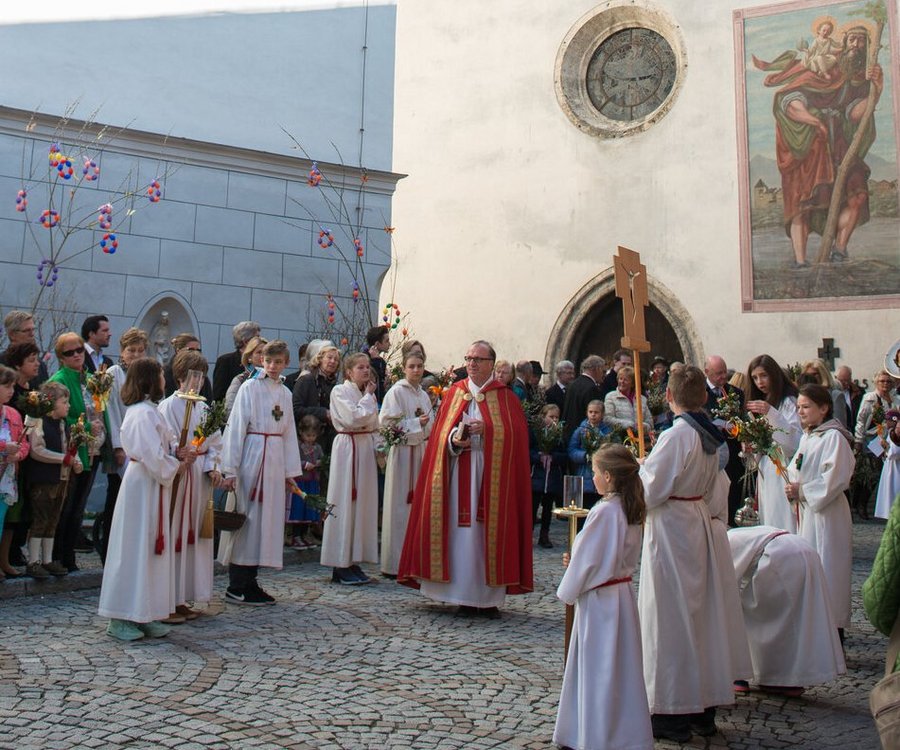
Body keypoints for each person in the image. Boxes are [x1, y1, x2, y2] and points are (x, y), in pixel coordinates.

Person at [638, 365, 750, 743]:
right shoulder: (713, 437)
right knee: (700, 618)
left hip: (672, 528)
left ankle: (672, 710)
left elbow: (651, 490)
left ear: (669, 398)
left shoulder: (677, 437)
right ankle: (704, 704)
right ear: (704, 397)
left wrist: (640, 469)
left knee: (669, 617)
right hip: (699, 521)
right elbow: (720, 485)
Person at [398, 340, 533, 618]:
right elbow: (438, 438)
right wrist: (452, 441)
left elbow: (517, 440)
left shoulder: (506, 398)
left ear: (490, 365)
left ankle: (487, 598)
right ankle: (459, 594)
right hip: (458, 472)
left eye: (478, 360)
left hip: (491, 476)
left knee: (485, 534)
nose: (471, 364)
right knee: (460, 533)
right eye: (469, 358)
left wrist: (488, 431)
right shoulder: (455, 394)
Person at [754, 26, 883, 266]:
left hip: (841, 146)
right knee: (803, 205)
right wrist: (815, 121)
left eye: (862, 41)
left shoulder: (860, 79)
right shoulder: (820, 68)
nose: (856, 45)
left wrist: (875, 93)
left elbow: (855, 115)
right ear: (843, 44)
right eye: (852, 39)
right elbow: (789, 101)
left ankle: (839, 249)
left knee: (858, 196)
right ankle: (801, 263)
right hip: (810, 148)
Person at [553, 445, 653, 750]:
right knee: (620, 669)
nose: (593, 477)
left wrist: (570, 582)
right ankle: (623, 733)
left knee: (599, 670)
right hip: (620, 595)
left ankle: (595, 735)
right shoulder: (631, 507)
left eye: (595, 472)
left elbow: (589, 561)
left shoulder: (604, 512)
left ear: (608, 476)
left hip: (600, 601)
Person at [98, 358, 195, 641]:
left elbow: (163, 445)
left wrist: (179, 454)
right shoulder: (140, 413)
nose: (164, 380)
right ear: (150, 380)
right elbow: (151, 454)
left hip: (153, 484)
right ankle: (121, 616)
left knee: (152, 547)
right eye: (161, 376)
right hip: (143, 483)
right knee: (134, 547)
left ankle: (145, 612)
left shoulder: (152, 411)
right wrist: (175, 464)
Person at [219, 340, 302, 605]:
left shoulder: (286, 394)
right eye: (269, 361)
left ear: (286, 362)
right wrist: (229, 469)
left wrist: (290, 471)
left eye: (279, 362)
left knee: (267, 522)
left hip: (275, 458)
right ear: (261, 361)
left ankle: (251, 580)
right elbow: (236, 427)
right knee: (248, 519)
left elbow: (289, 433)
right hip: (253, 457)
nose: (274, 367)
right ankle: (236, 583)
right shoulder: (249, 388)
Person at [728, 525, 846, 696]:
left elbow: (724, 588)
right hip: (806, 552)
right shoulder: (736, 534)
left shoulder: (725, 539)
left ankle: (738, 673)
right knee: (793, 618)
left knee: (739, 610)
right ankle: (783, 677)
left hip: (777, 557)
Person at [785, 384, 855, 640]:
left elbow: (836, 479)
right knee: (812, 568)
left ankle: (834, 634)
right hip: (810, 514)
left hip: (828, 515)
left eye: (806, 407)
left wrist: (802, 491)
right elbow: (796, 467)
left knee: (829, 570)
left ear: (824, 408)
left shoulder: (833, 438)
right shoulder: (808, 437)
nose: (801, 412)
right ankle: (816, 632)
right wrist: (792, 485)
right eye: (799, 407)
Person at [158, 349, 223, 621]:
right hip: (179, 478)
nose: (197, 383)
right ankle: (167, 598)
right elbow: (166, 442)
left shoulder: (205, 408)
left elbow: (215, 443)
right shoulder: (168, 407)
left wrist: (212, 466)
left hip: (198, 480)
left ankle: (183, 596)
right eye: (191, 377)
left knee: (194, 538)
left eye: (201, 377)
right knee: (175, 536)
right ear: (180, 378)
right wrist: (180, 456)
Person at [49, 332, 108, 572]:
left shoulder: (91, 377)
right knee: (67, 505)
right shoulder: (59, 379)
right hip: (71, 450)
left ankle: (69, 555)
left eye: (79, 350)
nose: (76, 355)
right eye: (69, 352)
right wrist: (84, 425)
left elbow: (99, 407)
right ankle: (58, 555)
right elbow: (57, 416)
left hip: (92, 448)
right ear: (61, 357)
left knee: (79, 504)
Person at [320, 353, 380, 585]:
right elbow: (353, 418)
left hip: (364, 448)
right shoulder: (340, 392)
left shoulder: (367, 395)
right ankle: (339, 563)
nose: (366, 371)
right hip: (347, 449)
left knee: (362, 506)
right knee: (344, 501)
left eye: (368, 367)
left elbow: (373, 422)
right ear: (349, 372)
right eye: (361, 367)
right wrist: (367, 399)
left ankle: (354, 560)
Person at [379, 350, 433, 577]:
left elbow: (431, 424)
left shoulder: (424, 395)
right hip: (402, 454)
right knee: (398, 508)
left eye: (420, 366)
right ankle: (394, 563)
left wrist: (426, 426)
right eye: (412, 366)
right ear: (404, 368)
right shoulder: (396, 392)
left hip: (419, 452)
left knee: (416, 509)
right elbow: (386, 424)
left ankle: (414, 561)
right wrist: (414, 423)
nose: (416, 370)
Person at [22, 381, 82, 579]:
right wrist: (63, 459)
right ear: (52, 403)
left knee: (53, 520)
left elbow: (69, 448)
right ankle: (33, 561)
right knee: (40, 519)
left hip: (61, 479)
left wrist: (76, 461)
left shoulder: (63, 424)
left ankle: (47, 560)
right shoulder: (38, 421)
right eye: (64, 402)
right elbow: (37, 450)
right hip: (44, 479)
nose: (68, 406)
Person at [99, 327, 149, 563]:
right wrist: (118, 446)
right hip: (121, 444)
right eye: (131, 350)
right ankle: (108, 548)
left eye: (140, 350)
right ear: (122, 351)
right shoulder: (113, 374)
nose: (136, 355)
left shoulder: (145, 375)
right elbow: (111, 410)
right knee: (116, 497)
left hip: (141, 446)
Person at [746, 354, 801, 532]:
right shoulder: (764, 401)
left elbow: (793, 440)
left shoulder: (788, 401)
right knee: (769, 516)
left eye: (763, 376)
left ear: (774, 375)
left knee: (782, 518)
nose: (759, 382)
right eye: (755, 377)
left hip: (783, 466)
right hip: (767, 467)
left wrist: (771, 414)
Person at [853, 370, 900, 519]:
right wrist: (858, 441)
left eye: (888, 381)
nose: (885, 384)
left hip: (891, 440)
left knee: (885, 472)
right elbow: (861, 420)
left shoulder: (895, 399)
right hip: (873, 440)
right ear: (876, 383)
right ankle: (861, 504)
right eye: (882, 381)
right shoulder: (870, 398)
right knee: (871, 473)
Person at [705, 355, 746, 526]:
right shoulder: (701, 393)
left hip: (735, 451)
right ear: (707, 372)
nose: (723, 377)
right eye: (718, 373)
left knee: (735, 493)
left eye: (724, 372)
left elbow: (743, 419)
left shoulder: (736, 393)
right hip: (713, 451)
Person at [0, 366, 29, 579]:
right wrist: (3, 448)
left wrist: (18, 454)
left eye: (12, 386)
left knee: (3, 520)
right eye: (6, 386)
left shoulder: (13, 413)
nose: (11, 391)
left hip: (8, 476)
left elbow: (24, 441)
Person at [292, 344, 341, 453]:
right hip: (306, 441)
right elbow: (295, 409)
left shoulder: (332, 384)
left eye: (336, 359)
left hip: (326, 438)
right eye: (329, 357)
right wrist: (324, 413)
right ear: (320, 359)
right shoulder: (306, 379)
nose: (333, 361)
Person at [530, 403, 566, 549]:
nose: (554, 420)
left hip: (551, 477)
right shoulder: (535, 432)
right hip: (537, 475)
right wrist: (538, 457)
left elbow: (565, 455)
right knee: (533, 507)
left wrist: (553, 457)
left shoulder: (559, 434)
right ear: (543, 417)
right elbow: (528, 451)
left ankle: (544, 534)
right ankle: (529, 533)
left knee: (547, 508)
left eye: (557, 417)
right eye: (551, 417)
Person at [567, 400, 612, 511]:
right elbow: (572, 450)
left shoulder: (608, 431)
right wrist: (585, 456)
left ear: (602, 414)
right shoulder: (580, 431)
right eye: (590, 412)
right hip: (584, 475)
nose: (593, 414)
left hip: (601, 475)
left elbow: (612, 448)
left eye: (596, 412)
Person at [288, 416, 324, 550]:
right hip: (301, 482)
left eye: (313, 435)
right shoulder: (298, 446)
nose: (311, 438)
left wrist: (320, 463)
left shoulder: (317, 447)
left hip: (312, 482)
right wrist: (304, 464)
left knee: (309, 509)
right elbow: (294, 459)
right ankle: (296, 536)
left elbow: (321, 458)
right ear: (301, 432)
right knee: (299, 509)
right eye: (308, 435)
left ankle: (304, 534)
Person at [561, 355, 606, 444]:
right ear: (596, 369)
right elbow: (593, 414)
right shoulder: (591, 388)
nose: (603, 374)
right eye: (603, 370)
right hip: (583, 435)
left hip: (569, 432)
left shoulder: (572, 384)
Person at [212, 321, 261, 402]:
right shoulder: (225, 361)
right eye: (257, 337)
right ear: (246, 341)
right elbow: (218, 395)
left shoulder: (261, 362)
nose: (260, 340)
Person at [223, 336, 267, 418]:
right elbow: (229, 410)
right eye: (259, 352)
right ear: (249, 357)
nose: (263, 356)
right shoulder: (240, 380)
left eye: (266, 353)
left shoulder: (272, 380)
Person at [1, 311, 49, 386]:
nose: (32, 334)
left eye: (33, 330)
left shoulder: (40, 366)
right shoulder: (2, 364)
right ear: (12, 335)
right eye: (27, 331)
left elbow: (45, 395)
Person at [799, 358, 848, 428]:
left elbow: (840, 426)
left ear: (823, 374)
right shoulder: (802, 397)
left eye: (814, 374)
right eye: (807, 375)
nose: (811, 378)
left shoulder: (835, 396)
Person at [603, 365, 652, 434]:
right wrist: (629, 425)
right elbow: (607, 419)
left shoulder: (642, 399)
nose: (622, 382)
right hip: (619, 439)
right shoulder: (611, 397)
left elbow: (649, 422)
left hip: (640, 438)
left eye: (625, 380)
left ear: (632, 384)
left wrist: (643, 426)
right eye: (620, 379)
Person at [163, 333, 212, 399]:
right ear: (178, 350)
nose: (195, 353)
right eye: (191, 350)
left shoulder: (201, 373)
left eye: (198, 350)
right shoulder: (166, 372)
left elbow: (207, 398)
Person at [874, 410, 900, 520]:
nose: (887, 422)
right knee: (888, 491)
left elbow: (895, 452)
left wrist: (886, 446)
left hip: (896, 468)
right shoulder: (889, 432)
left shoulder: (895, 434)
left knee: (894, 491)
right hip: (889, 467)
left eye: (889, 420)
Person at [366, 325, 390, 404]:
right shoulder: (365, 360)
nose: (389, 344)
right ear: (377, 344)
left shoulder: (381, 362)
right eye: (387, 341)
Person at [835, 365, 863, 431]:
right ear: (835, 378)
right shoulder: (832, 393)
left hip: (855, 430)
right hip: (838, 429)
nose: (846, 383)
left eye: (848, 380)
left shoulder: (859, 392)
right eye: (842, 380)